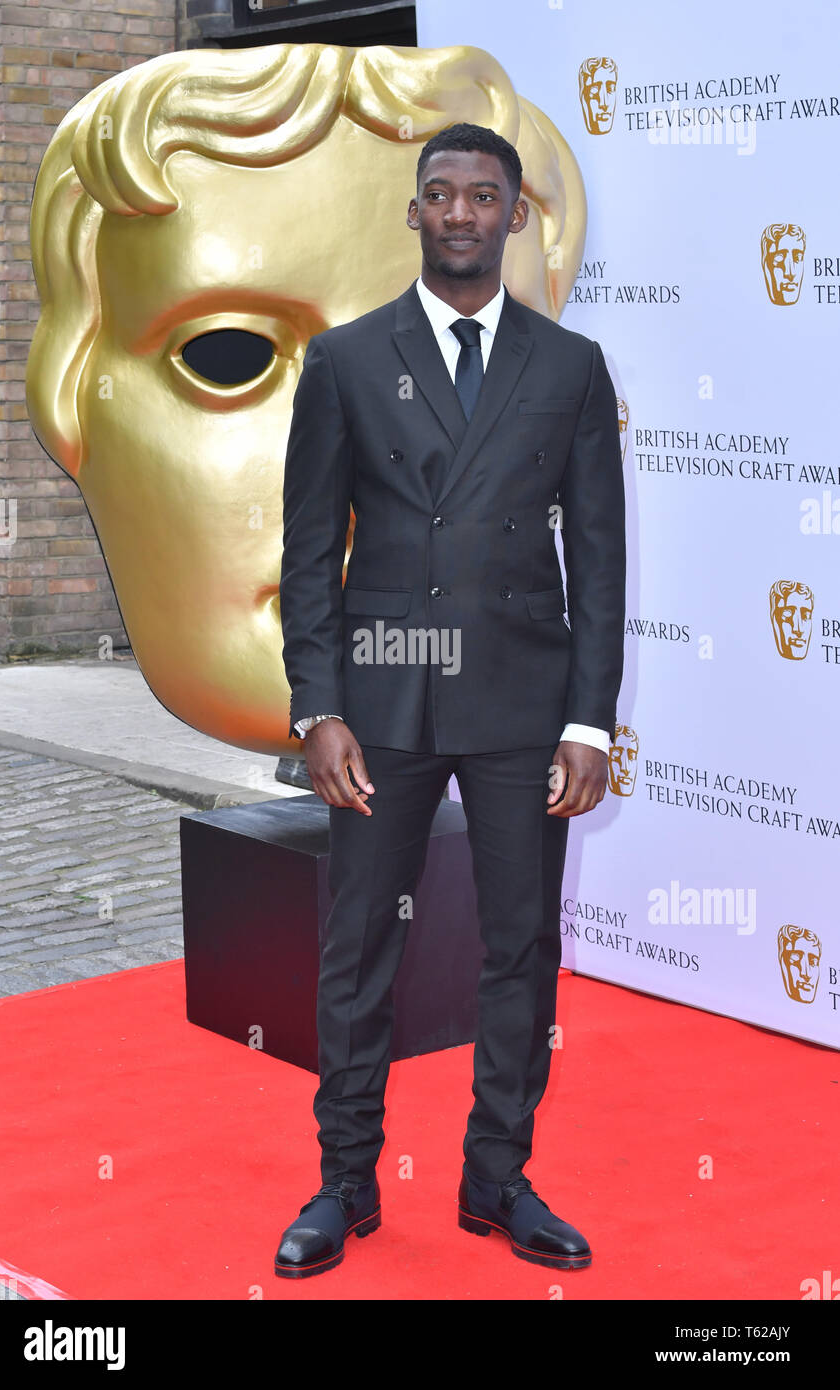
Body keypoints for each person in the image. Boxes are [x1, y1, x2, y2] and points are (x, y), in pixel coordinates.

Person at [276, 122, 625, 1278]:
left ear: (514, 216)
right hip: (382, 700)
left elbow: (601, 559)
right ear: (413, 212)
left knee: (519, 947)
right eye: (441, 194)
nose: (463, 213)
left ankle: (496, 1177)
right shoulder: (343, 360)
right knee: (356, 942)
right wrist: (315, 707)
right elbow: (312, 543)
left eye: (485, 195)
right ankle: (343, 1182)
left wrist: (587, 718)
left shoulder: (568, 367)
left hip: (525, 704)